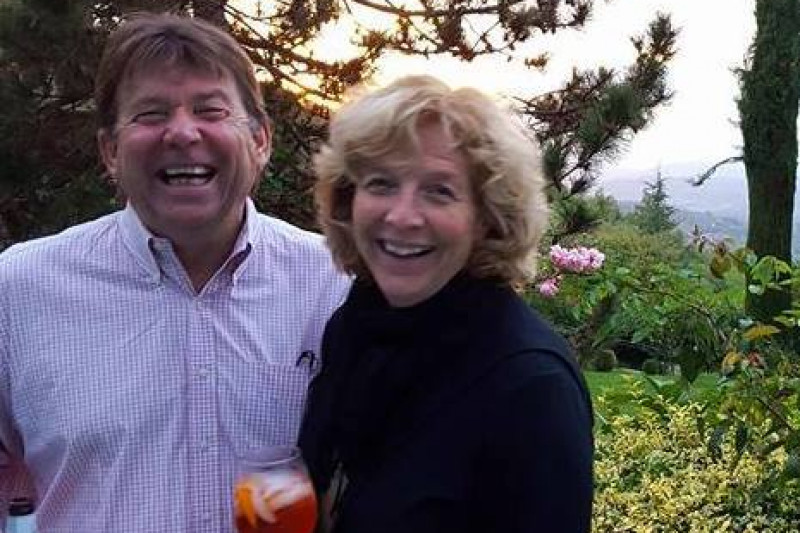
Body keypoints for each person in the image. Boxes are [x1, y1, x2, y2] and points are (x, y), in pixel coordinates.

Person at [0, 13, 350, 532]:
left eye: (211, 110)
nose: (183, 132)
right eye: (151, 114)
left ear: (260, 141)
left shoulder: (335, 286)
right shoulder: (18, 290)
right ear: (110, 151)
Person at [299, 75, 594, 533]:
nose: (402, 216)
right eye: (381, 183)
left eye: (439, 190)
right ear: (348, 201)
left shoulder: (530, 386)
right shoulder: (356, 326)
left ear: (486, 219)